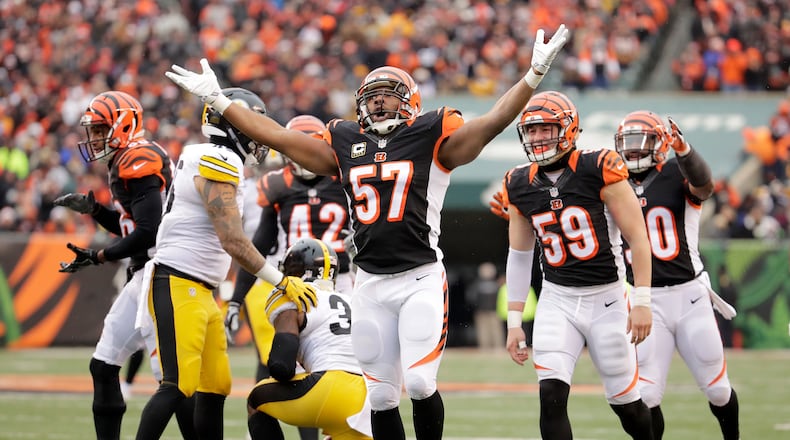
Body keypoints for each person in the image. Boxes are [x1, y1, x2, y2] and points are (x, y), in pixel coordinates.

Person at [165, 23, 569, 440]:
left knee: (418, 383)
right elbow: (281, 138)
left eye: (386, 97)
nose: (377, 105)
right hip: (369, 282)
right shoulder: (344, 139)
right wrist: (220, 101)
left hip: (419, 278)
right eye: (371, 99)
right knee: (379, 397)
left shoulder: (430, 134)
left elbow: (490, 123)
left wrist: (531, 78)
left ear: (408, 102)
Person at [133, 87, 318, 440]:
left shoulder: (215, 157)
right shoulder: (218, 159)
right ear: (233, 125)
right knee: (177, 385)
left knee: (216, 384)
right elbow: (232, 240)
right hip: (177, 281)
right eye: (251, 123)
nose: (257, 132)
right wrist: (281, 280)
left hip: (201, 287)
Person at [500, 90, 654, 440]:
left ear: (568, 129)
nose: (538, 137)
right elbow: (520, 256)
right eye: (532, 130)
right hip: (558, 300)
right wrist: (513, 322)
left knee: (627, 404)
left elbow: (639, 239)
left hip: (609, 300)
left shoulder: (599, 167)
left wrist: (642, 302)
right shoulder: (519, 182)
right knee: (551, 395)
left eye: (546, 129)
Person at [52, 90, 197, 440]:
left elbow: (149, 232)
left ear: (124, 124)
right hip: (144, 274)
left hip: (160, 272)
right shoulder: (126, 158)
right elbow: (131, 225)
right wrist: (97, 212)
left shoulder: (140, 157)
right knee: (103, 366)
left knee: (172, 383)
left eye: (101, 129)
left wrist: (100, 256)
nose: (96, 138)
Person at [614, 110, 739, 439]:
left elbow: (704, 185)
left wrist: (684, 149)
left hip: (689, 295)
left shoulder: (675, 172)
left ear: (660, 145)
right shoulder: (613, 183)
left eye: (641, 144)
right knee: (648, 395)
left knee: (717, 390)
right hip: (644, 299)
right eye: (627, 145)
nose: (633, 151)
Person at [226, 114, 353, 440]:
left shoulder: (343, 182)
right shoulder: (278, 186)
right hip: (304, 282)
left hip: (331, 282)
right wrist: (237, 298)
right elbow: (260, 244)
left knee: (305, 360)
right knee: (284, 358)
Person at [247, 237, 371, 440]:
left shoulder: (295, 296)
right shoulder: (350, 300)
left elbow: (281, 367)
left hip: (328, 387)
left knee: (256, 398)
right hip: (366, 399)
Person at [465, 262, 503, 349]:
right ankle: (485, 348)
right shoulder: (495, 284)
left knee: (495, 330)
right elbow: (471, 297)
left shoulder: (497, 284)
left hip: (494, 312)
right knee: (484, 331)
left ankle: (498, 348)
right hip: (482, 312)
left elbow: (471, 297)